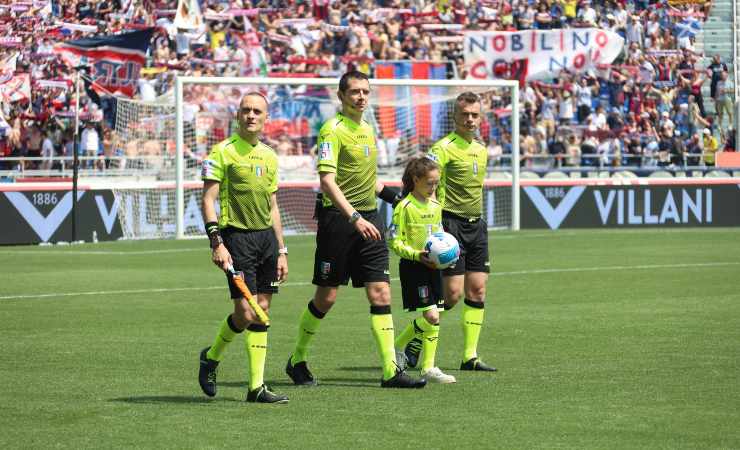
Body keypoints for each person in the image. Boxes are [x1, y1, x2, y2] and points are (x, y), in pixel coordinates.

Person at [285, 71, 425, 389]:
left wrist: (398, 199)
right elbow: (327, 181)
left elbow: (370, 180)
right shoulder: (331, 130)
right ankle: (297, 359)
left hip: (370, 219)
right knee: (328, 296)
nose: (361, 96)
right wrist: (353, 218)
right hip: (339, 221)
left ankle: (391, 370)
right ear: (341, 95)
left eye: (365, 91)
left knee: (381, 291)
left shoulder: (367, 128)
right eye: (355, 92)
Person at [197, 92, 290, 404]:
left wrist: (282, 249)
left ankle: (256, 387)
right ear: (237, 115)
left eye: (257, 111)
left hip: (266, 239)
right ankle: (210, 358)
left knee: (261, 310)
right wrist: (216, 243)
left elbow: (273, 206)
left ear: (266, 119)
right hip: (236, 239)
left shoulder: (270, 156)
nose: (251, 115)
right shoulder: (222, 152)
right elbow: (208, 199)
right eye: (246, 110)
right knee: (246, 311)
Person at [413, 91, 497, 372]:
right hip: (450, 225)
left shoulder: (481, 149)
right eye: (465, 114)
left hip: (477, 225)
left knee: (478, 289)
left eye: (474, 114)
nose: (470, 119)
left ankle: (469, 356)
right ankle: (415, 336)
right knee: (451, 296)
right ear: (455, 116)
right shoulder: (442, 148)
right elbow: (425, 183)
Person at [391, 156, 456, 384]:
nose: (433, 188)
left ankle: (424, 364)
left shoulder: (437, 206)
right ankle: (407, 353)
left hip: (433, 267)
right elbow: (395, 242)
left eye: (437, 183)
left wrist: (448, 253)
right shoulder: (404, 207)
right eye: (429, 183)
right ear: (415, 179)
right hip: (414, 267)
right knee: (431, 316)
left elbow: (439, 237)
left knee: (434, 316)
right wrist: (417, 254)